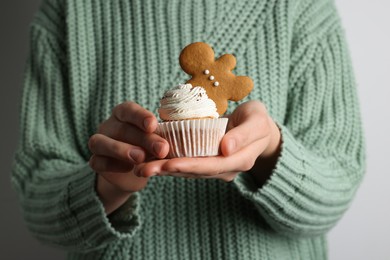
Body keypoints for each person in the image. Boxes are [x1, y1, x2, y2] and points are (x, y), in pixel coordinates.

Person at [12, 0, 365, 259]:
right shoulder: (70, 11)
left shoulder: (300, 8)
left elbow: (338, 188)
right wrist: (107, 186)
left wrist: (270, 151)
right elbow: (36, 200)